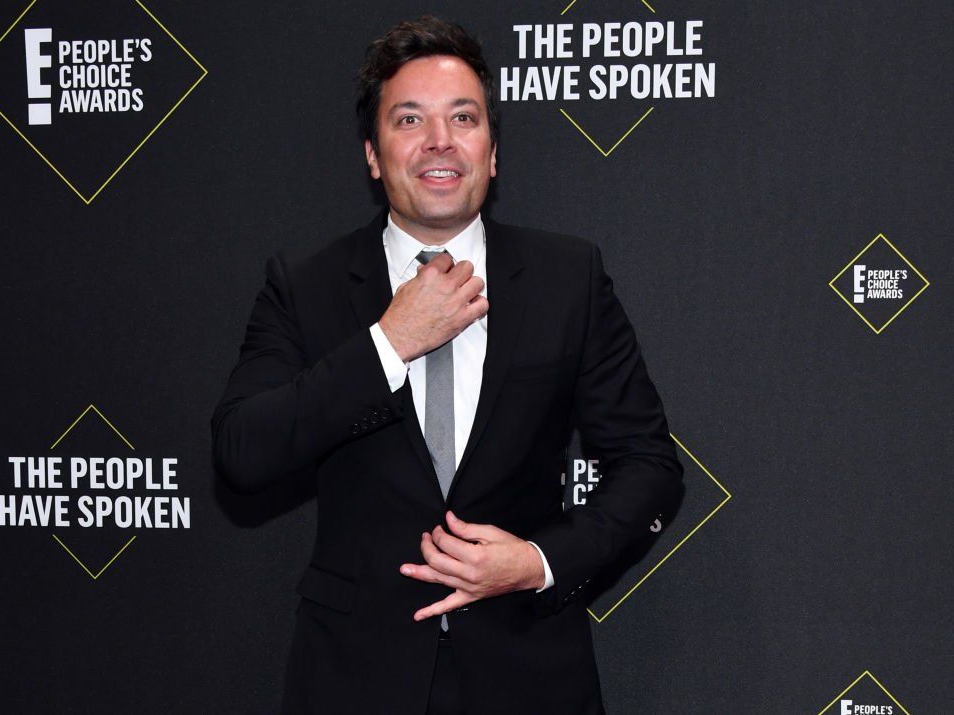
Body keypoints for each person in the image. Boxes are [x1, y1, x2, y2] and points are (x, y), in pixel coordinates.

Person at [212, 16, 682, 715]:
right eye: (410, 119)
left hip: (530, 675)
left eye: (463, 117)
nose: (440, 140)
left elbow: (648, 465)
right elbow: (242, 451)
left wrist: (538, 561)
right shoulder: (304, 285)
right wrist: (389, 343)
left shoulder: (567, 277)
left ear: (492, 152)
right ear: (373, 154)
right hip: (353, 679)